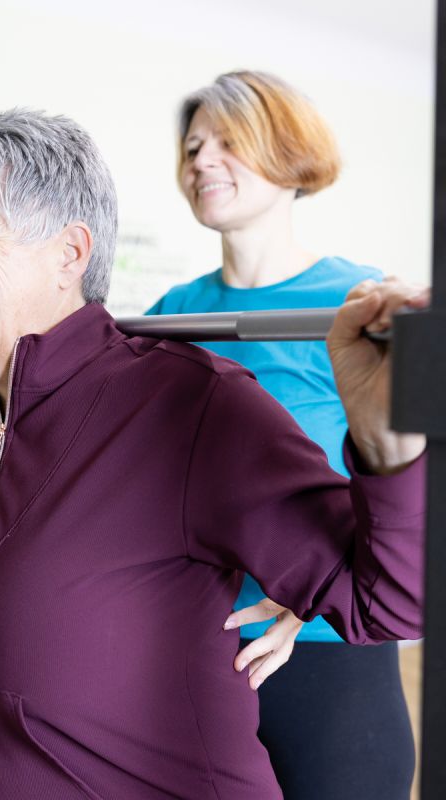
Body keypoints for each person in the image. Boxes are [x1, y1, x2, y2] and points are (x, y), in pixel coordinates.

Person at [0, 109, 427, 800]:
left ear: (69, 254)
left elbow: (389, 602)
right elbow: (23, 508)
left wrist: (387, 445)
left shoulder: (189, 402)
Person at [145, 70, 417, 800]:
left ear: (289, 154)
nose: (201, 160)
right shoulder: (171, 314)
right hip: (195, 646)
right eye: (193, 147)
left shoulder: (359, 303)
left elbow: (410, 486)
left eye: (227, 142)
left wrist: (309, 591)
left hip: (328, 647)